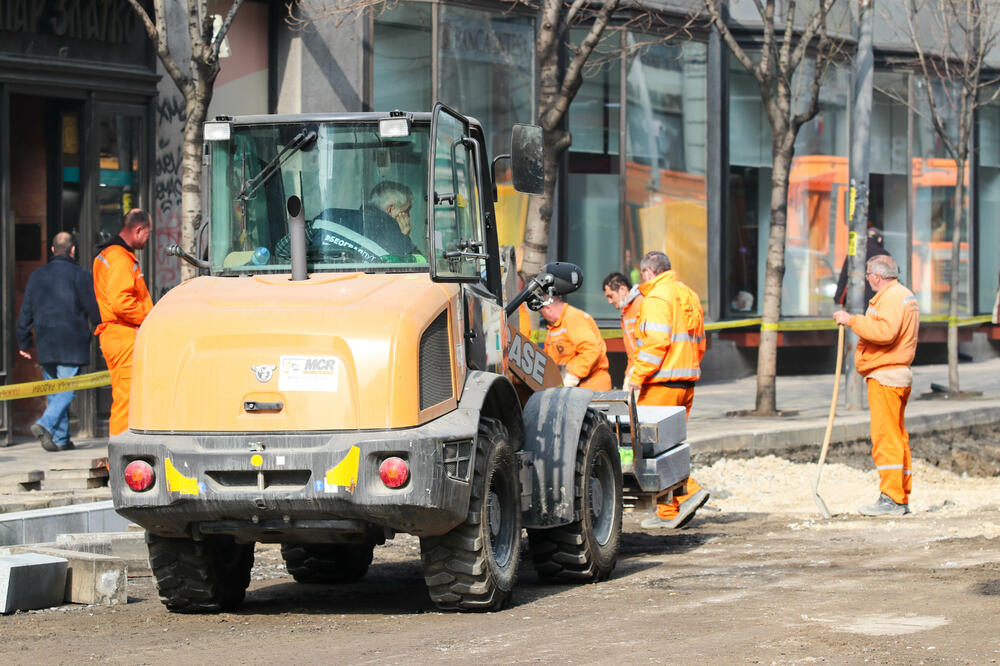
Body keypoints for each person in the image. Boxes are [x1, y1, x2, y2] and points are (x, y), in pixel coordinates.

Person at [626, 251, 710, 529]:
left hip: (662, 383)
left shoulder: (656, 298)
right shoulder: (688, 294)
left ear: (648, 272)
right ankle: (669, 511)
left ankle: (691, 491)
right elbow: (699, 341)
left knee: (651, 449)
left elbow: (656, 343)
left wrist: (636, 377)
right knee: (670, 447)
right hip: (686, 382)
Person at [833, 254, 919, 516]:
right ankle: (899, 495)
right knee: (897, 436)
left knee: (886, 437)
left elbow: (885, 333)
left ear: (877, 276)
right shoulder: (902, 295)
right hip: (894, 374)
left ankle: (892, 498)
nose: (867, 279)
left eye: (868, 274)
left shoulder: (891, 297)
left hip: (886, 375)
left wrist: (852, 320)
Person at [16, 232, 101, 451]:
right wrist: (102, 330)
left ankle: (62, 439)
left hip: (46, 341)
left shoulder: (36, 276)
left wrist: (24, 342)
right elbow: (93, 308)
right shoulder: (81, 275)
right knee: (67, 389)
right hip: (71, 342)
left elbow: (26, 311)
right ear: (73, 250)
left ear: (52, 250)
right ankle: (46, 423)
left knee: (54, 390)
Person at [93, 209, 154, 437]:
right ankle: (118, 461)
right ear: (138, 230)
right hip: (123, 335)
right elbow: (122, 303)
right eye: (148, 233)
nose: (148, 238)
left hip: (117, 335)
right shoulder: (119, 257)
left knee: (126, 398)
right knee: (126, 400)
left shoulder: (110, 255)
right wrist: (150, 318)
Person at [274, 180, 421, 262]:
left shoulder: (329, 217)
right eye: (406, 211)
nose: (408, 217)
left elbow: (282, 251)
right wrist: (404, 238)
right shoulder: (400, 244)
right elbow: (418, 271)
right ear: (390, 210)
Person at [538, 295, 612, 391]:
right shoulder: (556, 325)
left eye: (542, 314)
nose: (543, 317)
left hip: (590, 387)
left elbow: (591, 351)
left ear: (548, 309)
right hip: (577, 388)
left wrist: (571, 376)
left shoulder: (573, 318)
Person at [602, 271, 643, 387]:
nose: (609, 301)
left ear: (623, 289)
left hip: (643, 374)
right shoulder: (626, 312)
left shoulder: (640, 305)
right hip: (636, 371)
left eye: (611, 296)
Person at [834, 226, 890, 306]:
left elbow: (844, 275)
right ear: (879, 239)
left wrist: (838, 297)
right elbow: (889, 278)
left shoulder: (855, 252)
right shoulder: (884, 254)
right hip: (876, 296)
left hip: (855, 295)